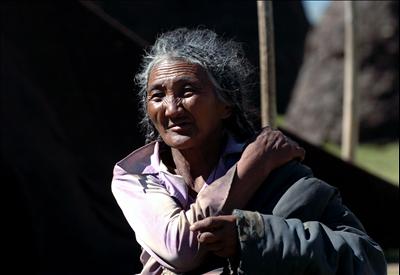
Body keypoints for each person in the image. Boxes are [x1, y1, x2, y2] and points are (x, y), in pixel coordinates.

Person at [111, 27, 386, 275]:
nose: (171, 109)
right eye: (157, 96)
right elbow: (179, 251)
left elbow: (365, 258)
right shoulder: (137, 177)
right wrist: (249, 169)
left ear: (225, 105)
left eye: (187, 91)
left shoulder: (280, 174)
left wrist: (256, 235)